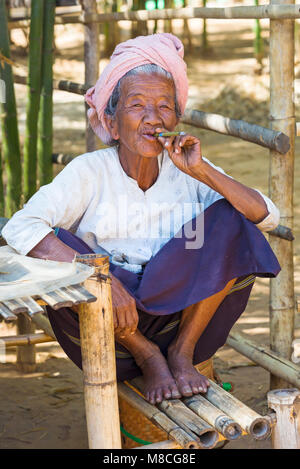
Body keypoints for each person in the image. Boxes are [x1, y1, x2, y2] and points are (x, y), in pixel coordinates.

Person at [2, 33, 280, 405]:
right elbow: (21, 226)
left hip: (178, 318)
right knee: (56, 242)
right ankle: (147, 354)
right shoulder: (90, 171)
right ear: (113, 123)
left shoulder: (187, 168)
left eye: (165, 106)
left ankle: (181, 353)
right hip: (109, 329)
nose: (153, 118)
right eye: (137, 105)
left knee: (232, 219)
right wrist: (99, 278)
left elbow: (267, 218)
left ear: (177, 119)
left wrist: (202, 173)